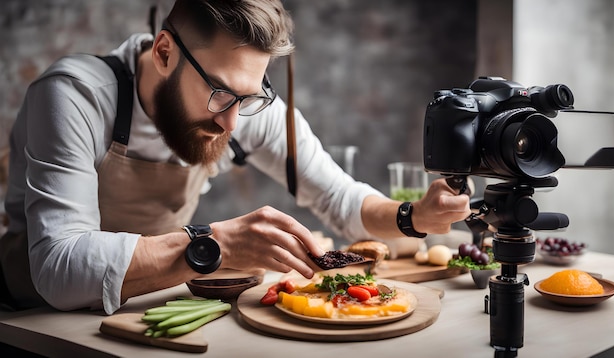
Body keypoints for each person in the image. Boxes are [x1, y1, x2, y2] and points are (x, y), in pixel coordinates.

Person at [0, 0, 470, 315]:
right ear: (164, 52)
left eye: (248, 98)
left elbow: (341, 200)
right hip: (36, 321)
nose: (232, 124)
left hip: (145, 309)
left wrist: (416, 216)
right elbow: (57, 269)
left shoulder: (244, 108)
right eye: (220, 93)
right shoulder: (74, 98)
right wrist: (212, 244)